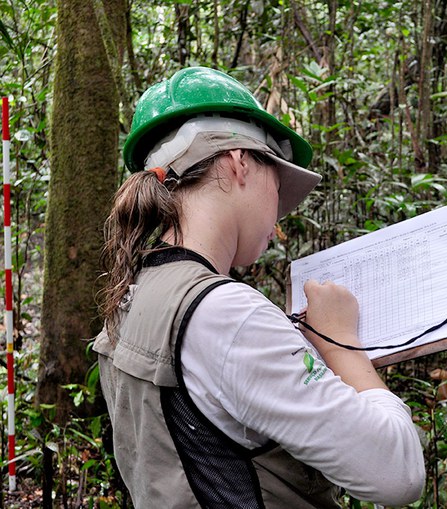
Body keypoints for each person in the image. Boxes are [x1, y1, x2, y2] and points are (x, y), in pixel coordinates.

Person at [94, 66, 425, 509]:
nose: (279, 214)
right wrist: (341, 341)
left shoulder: (134, 290)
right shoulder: (226, 315)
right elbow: (398, 475)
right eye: (278, 182)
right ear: (239, 162)